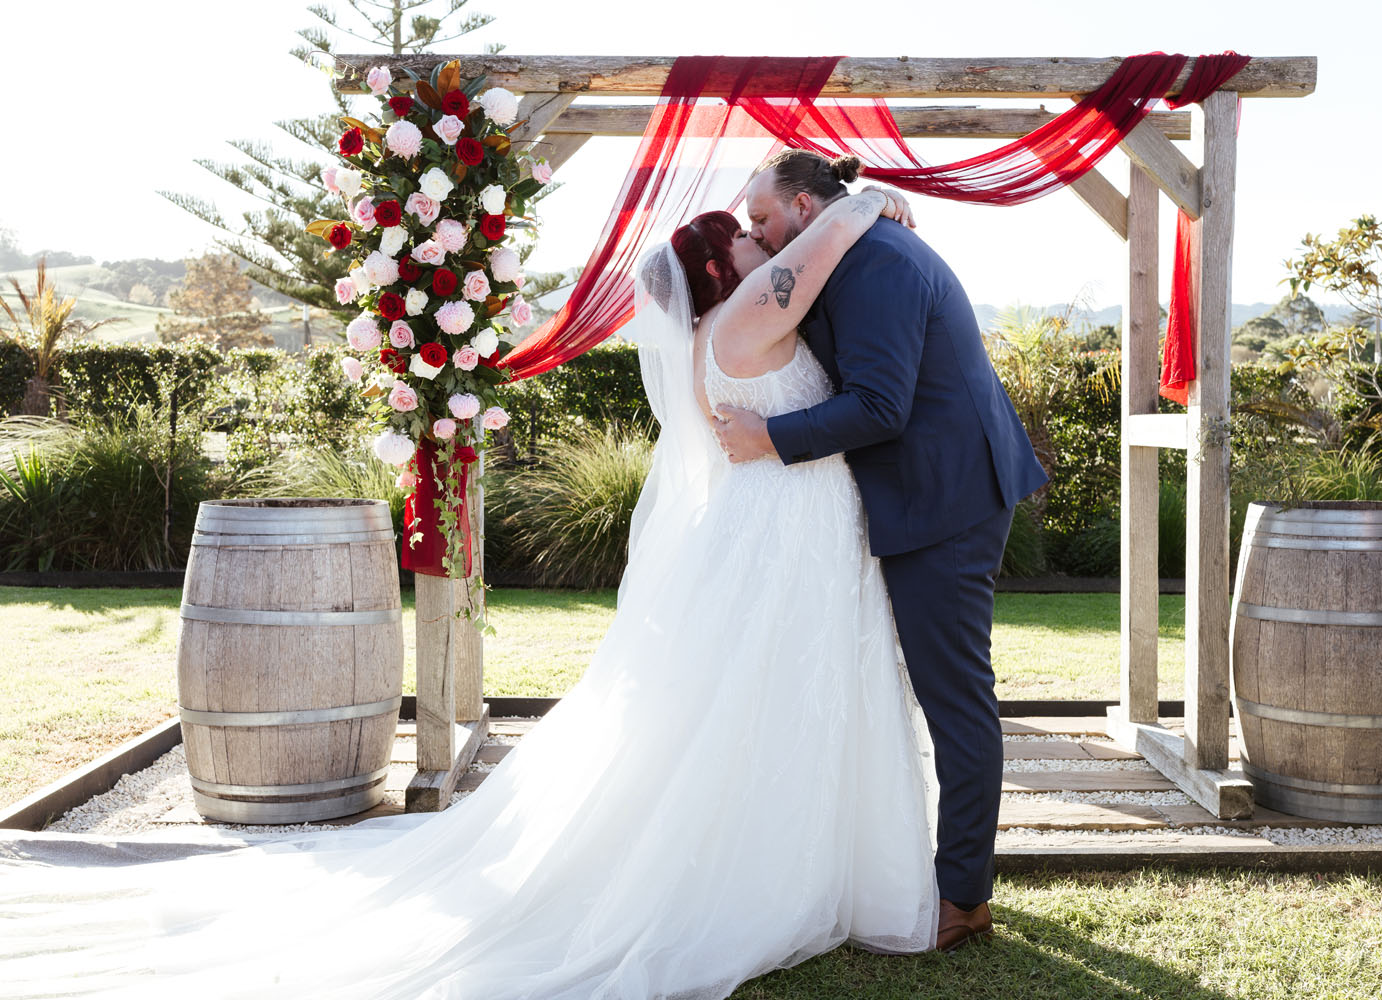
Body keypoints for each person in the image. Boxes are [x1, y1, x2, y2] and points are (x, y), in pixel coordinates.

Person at [0, 185, 944, 1000]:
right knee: (773, 694)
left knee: (768, 698)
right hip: (784, 534)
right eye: (744, 238)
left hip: (785, 531)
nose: (761, 241)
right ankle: (769, 870)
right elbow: (819, 260)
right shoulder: (745, 318)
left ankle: (793, 860)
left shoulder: (715, 331)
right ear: (712, 268)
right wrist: (858, 205)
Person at [715, 149, 1049, 952]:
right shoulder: (850, 248)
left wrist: (768, 437)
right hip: (924, 495)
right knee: (940, 695)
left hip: (947, 502)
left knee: (955, 700)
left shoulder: (875, 264)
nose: (754, 236)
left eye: (760, 219)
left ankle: (963, 899)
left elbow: (879, 405)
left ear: (802, 207)